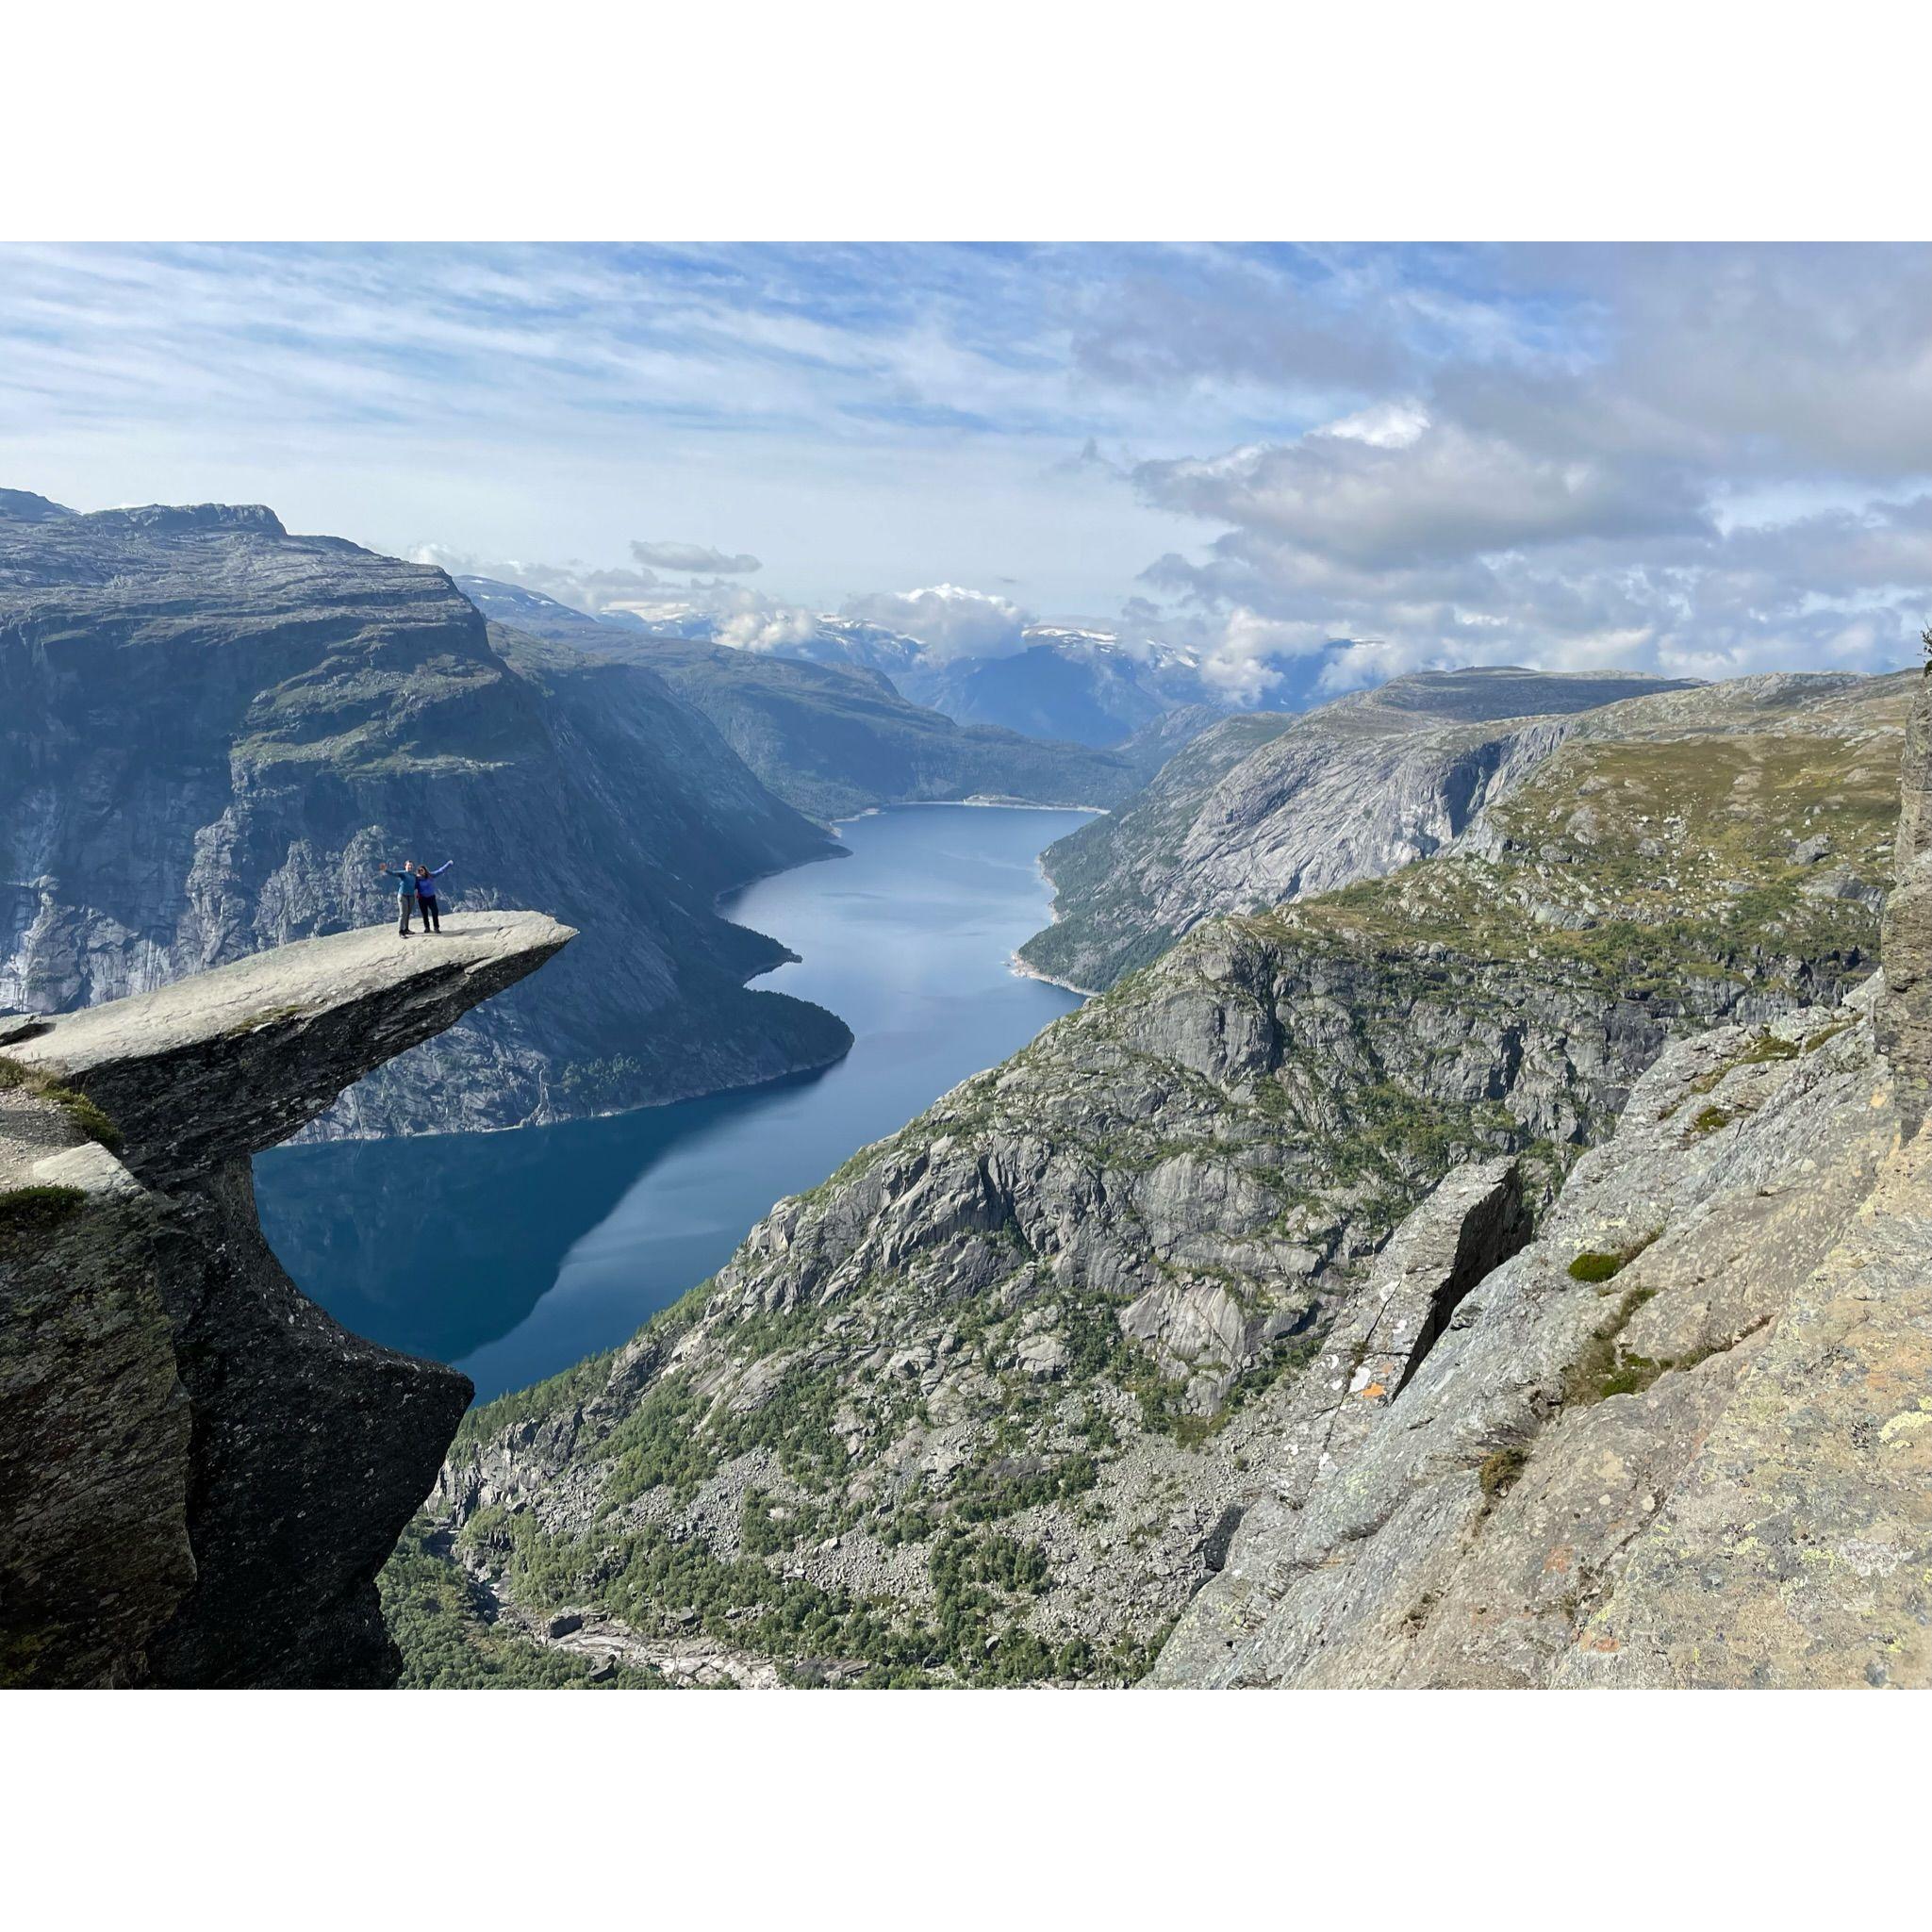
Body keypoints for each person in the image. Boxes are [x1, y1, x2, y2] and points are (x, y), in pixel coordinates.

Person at [378, 859, 420, 935]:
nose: (410, 867)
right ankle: (401, 931)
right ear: (405, 866)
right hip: (402, 895)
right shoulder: (403, 873)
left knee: (408, 913)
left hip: (411, 896)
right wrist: (386, 869)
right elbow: (393, 873)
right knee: (403, 913)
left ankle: (406, 929)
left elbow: (418, 883)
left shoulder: (414, 876)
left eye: (411, 866)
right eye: (408, 865)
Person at [414, 859, 454, 933]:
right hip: (422, 898)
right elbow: (412, 885)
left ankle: (436, 927)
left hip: (431, 898)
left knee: (435, 911)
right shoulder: (417, 879)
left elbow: (441, 870)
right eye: (419, 870)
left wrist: (449, 864)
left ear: (425, 870)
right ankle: (427, 928)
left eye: (422, 870)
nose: (421, 871)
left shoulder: (431, 876)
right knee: (424, 913)